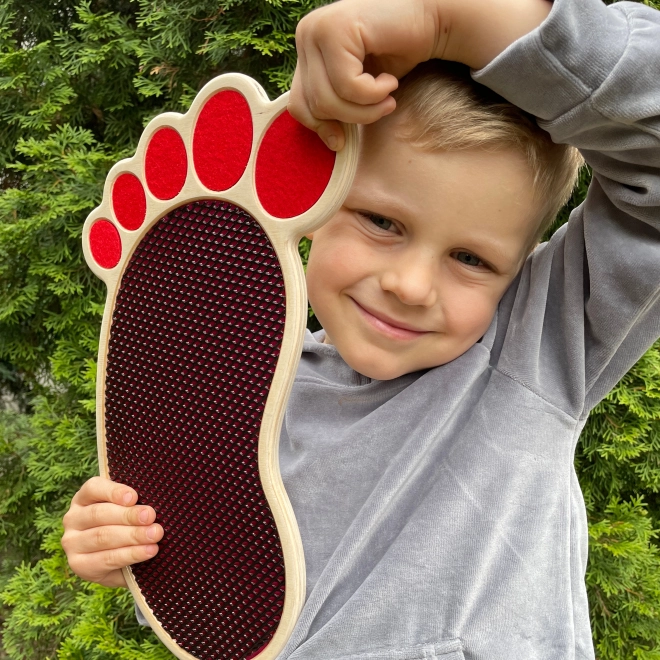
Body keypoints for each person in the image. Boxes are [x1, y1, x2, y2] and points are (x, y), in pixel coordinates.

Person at [61, 0, 660, 657]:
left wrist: (447, 21)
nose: (411, 284)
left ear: (517, 269)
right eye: (382, 222)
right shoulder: (245, 388)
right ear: (310, 201)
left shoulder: (536, 349)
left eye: (471, 259)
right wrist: (130, 546)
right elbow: (234, 607)